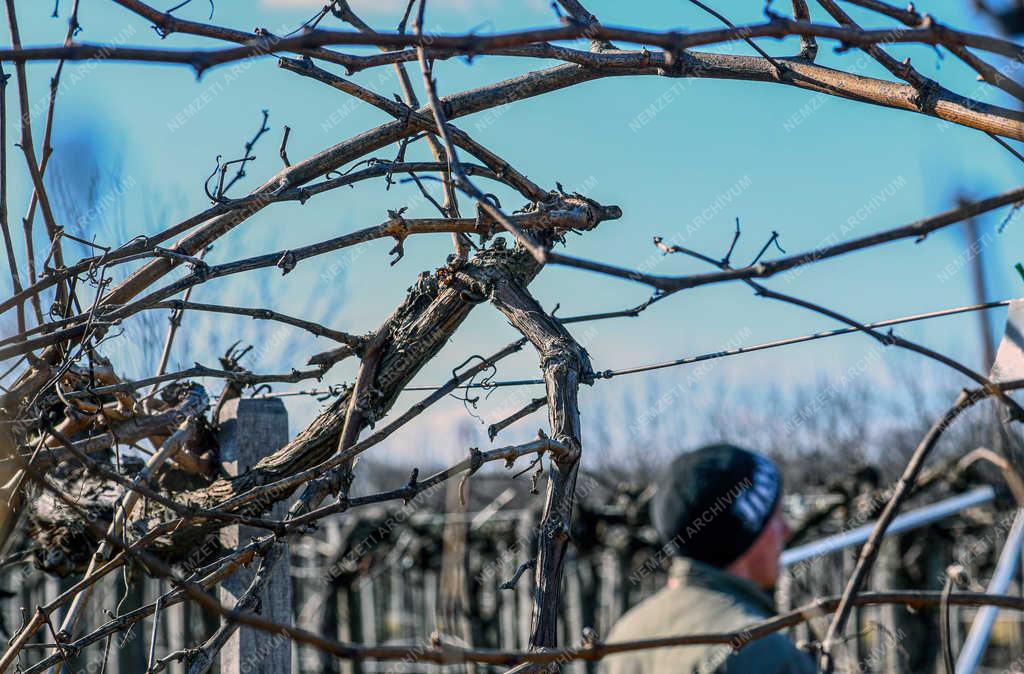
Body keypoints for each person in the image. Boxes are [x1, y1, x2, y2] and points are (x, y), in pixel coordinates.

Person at [601, 444, 816, 674]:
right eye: (776, 517)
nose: (787, 530)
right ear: (745, 534)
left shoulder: (625, 635)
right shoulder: (763, 651)